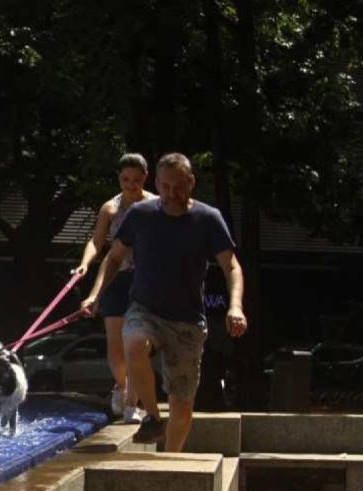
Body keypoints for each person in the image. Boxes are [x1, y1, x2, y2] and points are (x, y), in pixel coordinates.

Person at [81, 152, 247, 452]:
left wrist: (235, 306)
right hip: (145, 308)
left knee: (182, 405)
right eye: (166, 187)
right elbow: (114, 257)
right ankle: (153, 418)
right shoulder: (141, 214)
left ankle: (171, 458)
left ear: (191, 183)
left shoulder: (208, 219)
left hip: (187, 320)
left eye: (179, 187)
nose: (172, 195)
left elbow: (232, 266)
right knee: (133, 343)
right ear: (157, 183)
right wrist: (95, 295)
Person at [73, 153, 157, 422]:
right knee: (116, 349)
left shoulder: (155, 205)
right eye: (125, 179)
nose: (130, 185)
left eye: (136, 179)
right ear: (119, 179)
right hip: (115, 277)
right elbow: (97, 242)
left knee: (137, 345)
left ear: (145, 178)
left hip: (145, 280)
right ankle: (121, 386)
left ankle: (132, 406)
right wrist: (85, 264)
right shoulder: (110, 208)